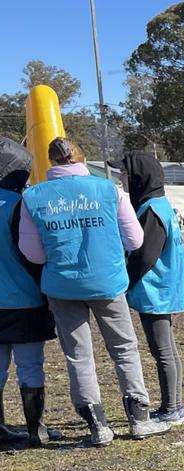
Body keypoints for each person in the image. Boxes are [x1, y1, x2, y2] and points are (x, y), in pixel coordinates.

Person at [17, 137, 170, 445]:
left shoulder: (33, 196)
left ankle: (96, 423)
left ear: (50, 161)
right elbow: (135, 241)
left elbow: (32, 253)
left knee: (78, 355)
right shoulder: (109, 190)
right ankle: (139, 417)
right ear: (82, 158)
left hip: (61, 285)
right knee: (124, 349)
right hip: (108, 282)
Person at [121, 152, 184, 425]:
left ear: (139, 177)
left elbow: (145, 256)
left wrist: (123, 282)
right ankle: (173, 405)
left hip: (156, 289)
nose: (122, 178)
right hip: (162, 287)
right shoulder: (158, 204)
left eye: (125, 173)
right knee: (168, 350)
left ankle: (172, 408)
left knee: (162, 350)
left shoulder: (151, 210)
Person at [0, 138, 57, 446]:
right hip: (24, 299)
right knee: (30, 365)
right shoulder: (21, 204)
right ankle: (36, 427)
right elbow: (32, 253)